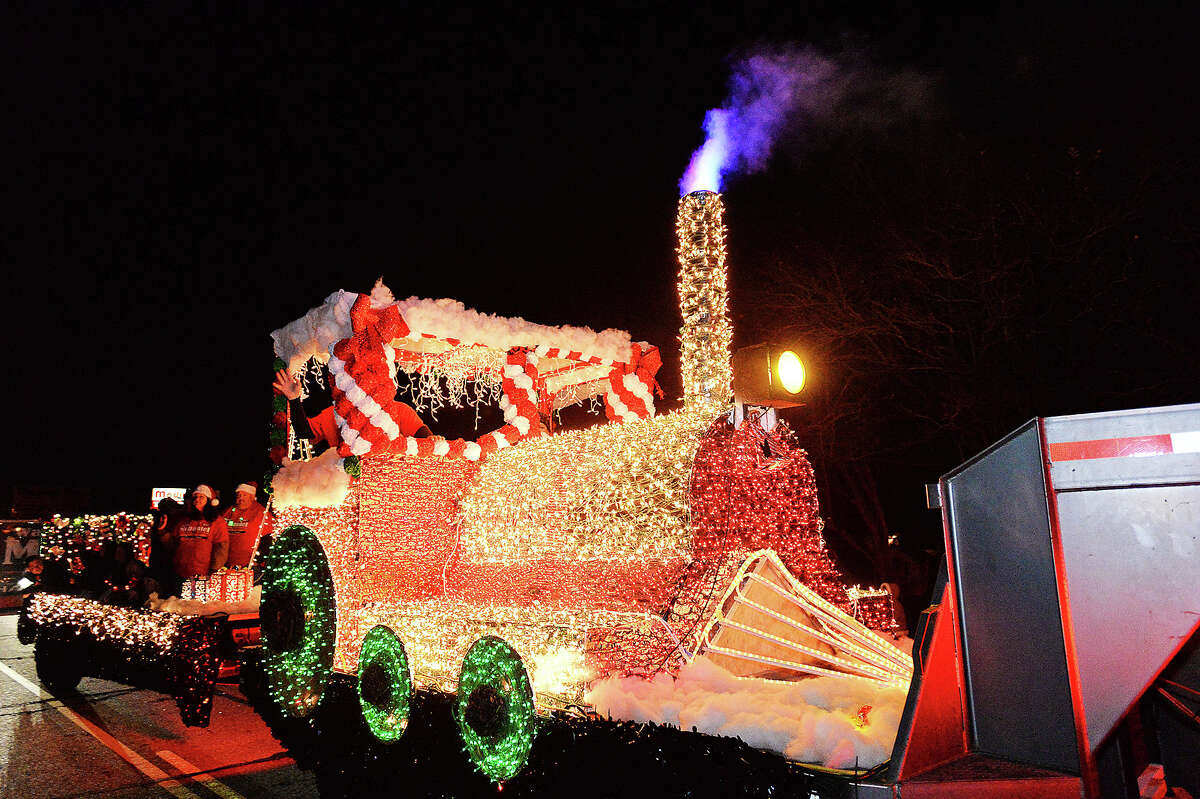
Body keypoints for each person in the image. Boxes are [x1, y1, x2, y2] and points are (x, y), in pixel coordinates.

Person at [273, 364, 432, 454]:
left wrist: (433, 440)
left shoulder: (399, 410)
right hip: (347, 489)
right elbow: (305, 434)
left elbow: (424, 437)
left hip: (393, 486)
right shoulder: (336, 414)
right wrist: (294, 400)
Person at [170, 484, 227, 581]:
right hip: (179, 573)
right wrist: (162, 532)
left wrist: (214, 570)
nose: (197, 499)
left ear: (209, 501)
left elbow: (221, 548)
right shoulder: (183, 519)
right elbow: (172, 543)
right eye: (195, 497)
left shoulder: (217, 521)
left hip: (203, 575)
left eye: (201, 497)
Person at [211, 482, 265, 569]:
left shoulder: (261, 512)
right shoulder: (228, 511)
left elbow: (270, 537)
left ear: (252, 497)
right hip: (225, 565)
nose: (240, 498)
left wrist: (259, 560)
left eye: (244, 495)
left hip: (249, 565)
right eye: (238, 495)